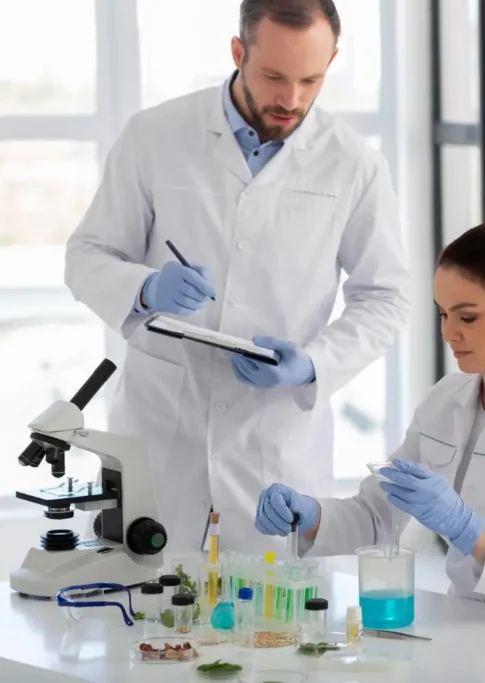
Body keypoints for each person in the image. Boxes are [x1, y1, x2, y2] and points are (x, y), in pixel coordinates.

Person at [64, 0, 410, 553]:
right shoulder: (155, 136)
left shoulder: (354, 164)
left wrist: (311, 364)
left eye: (311, 80)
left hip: (274, 448)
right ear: (237, 51)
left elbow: (386, 298)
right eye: (274, 77)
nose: (291, 99)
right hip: (162, 433)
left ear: (333, 61)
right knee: (141, 618)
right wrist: (146, 287)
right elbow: (87, 255)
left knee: (273, 625)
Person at [254, 221, 485, 623]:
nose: (449, 333)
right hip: (467, 632)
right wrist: (310, 515)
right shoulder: (445, 400)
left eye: (467, 318)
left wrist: (471, 531)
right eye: (443, 314)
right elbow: (378, 516)